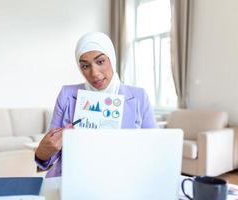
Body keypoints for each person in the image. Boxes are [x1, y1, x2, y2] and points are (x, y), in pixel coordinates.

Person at [35, 32, 157, 177]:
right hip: (73, 178)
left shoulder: (139, 97)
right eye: (85, 66)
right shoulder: (67, 95)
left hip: (122, 178)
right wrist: (43, 152)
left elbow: (155, 151)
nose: (94, 73)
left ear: (112, 58)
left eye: (100, 62)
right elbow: (47, 159)